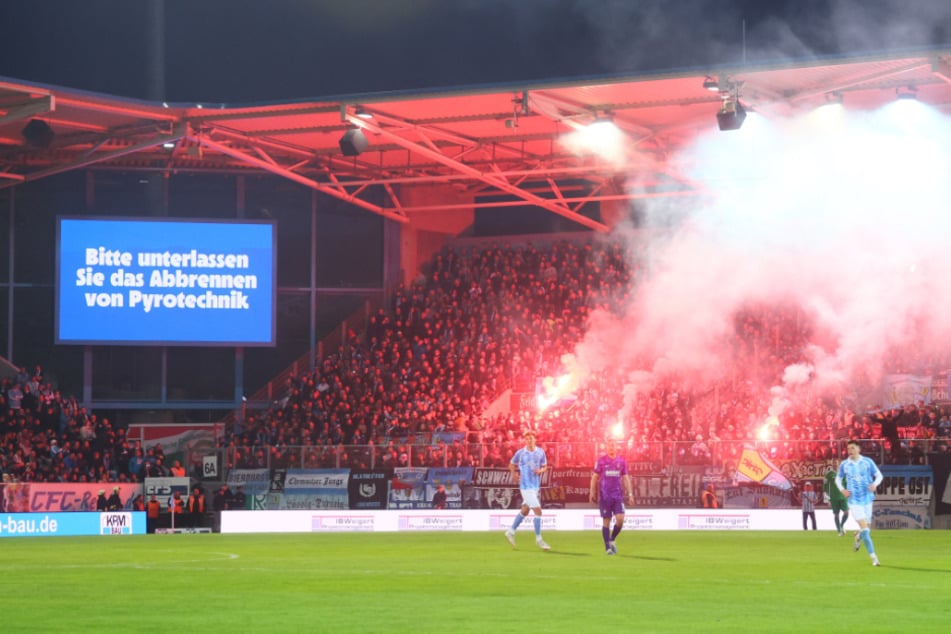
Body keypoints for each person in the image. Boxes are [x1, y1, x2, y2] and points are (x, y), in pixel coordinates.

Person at [836, 440, 884, 566]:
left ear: (858, 449)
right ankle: (874, 558)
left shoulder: (867, 462)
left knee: (867, 529)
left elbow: (879, 475)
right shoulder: (845, 464)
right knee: (866, 531)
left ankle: (858, 537)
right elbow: (838, 479)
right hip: (854, 501)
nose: (850, 451)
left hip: (867, 499)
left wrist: (875, 484)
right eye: (848, 448)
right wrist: (843, 490)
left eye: (852, 448)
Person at [504, 430, 550, 550]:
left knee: (525, 510)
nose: (529, 440)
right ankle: (539, 539)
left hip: (535, 486)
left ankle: (511, 531)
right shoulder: (521, 453)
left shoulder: (540, 452)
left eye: (531, 438)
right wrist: (514, 475)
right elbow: (511, 464)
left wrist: (540, 471)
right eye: (527, 438)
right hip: (525, 487)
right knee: (538, 512)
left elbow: (545, 466)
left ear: (535, 439)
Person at [588, 438, 633, 555]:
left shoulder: (622, 461)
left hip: (618, 496)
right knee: (606, 521)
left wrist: (630, 494)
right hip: (605, 496)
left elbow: (625, 478)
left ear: (616, 447)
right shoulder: (601, 461)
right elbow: (594, 477)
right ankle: (607, 547)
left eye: (613, 445)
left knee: (620, 519)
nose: (611, 447)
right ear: (606, 447)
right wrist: (592, 491)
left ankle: (612, 538)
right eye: (609, 445)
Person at [823, 469, 850, 536]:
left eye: (836, 462)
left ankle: (841, 525)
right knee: (836, 514)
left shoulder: (844, 473)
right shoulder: (829, 474)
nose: (835, 463)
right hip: (834, 497)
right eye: (833, 462)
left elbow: (847, 485)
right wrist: (826, 499)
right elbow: (825, 486)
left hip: (843, 497)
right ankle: (839, 530)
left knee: (846, 512)